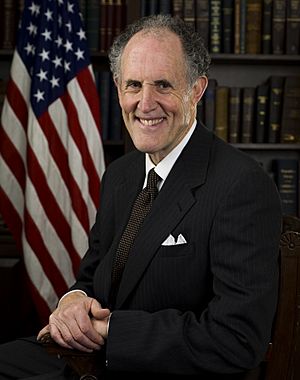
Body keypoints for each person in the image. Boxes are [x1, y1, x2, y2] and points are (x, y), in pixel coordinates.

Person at [0, 14, 282, 380]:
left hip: (156, 367)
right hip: (88, 357)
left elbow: (237, 339)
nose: (145, 104)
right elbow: (92, 275)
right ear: (118, 89)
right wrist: (72, 302)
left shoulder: (241, 185)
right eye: (133, 85)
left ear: (196, 90)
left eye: (163, 85)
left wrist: (111, 330)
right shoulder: (122, 174)